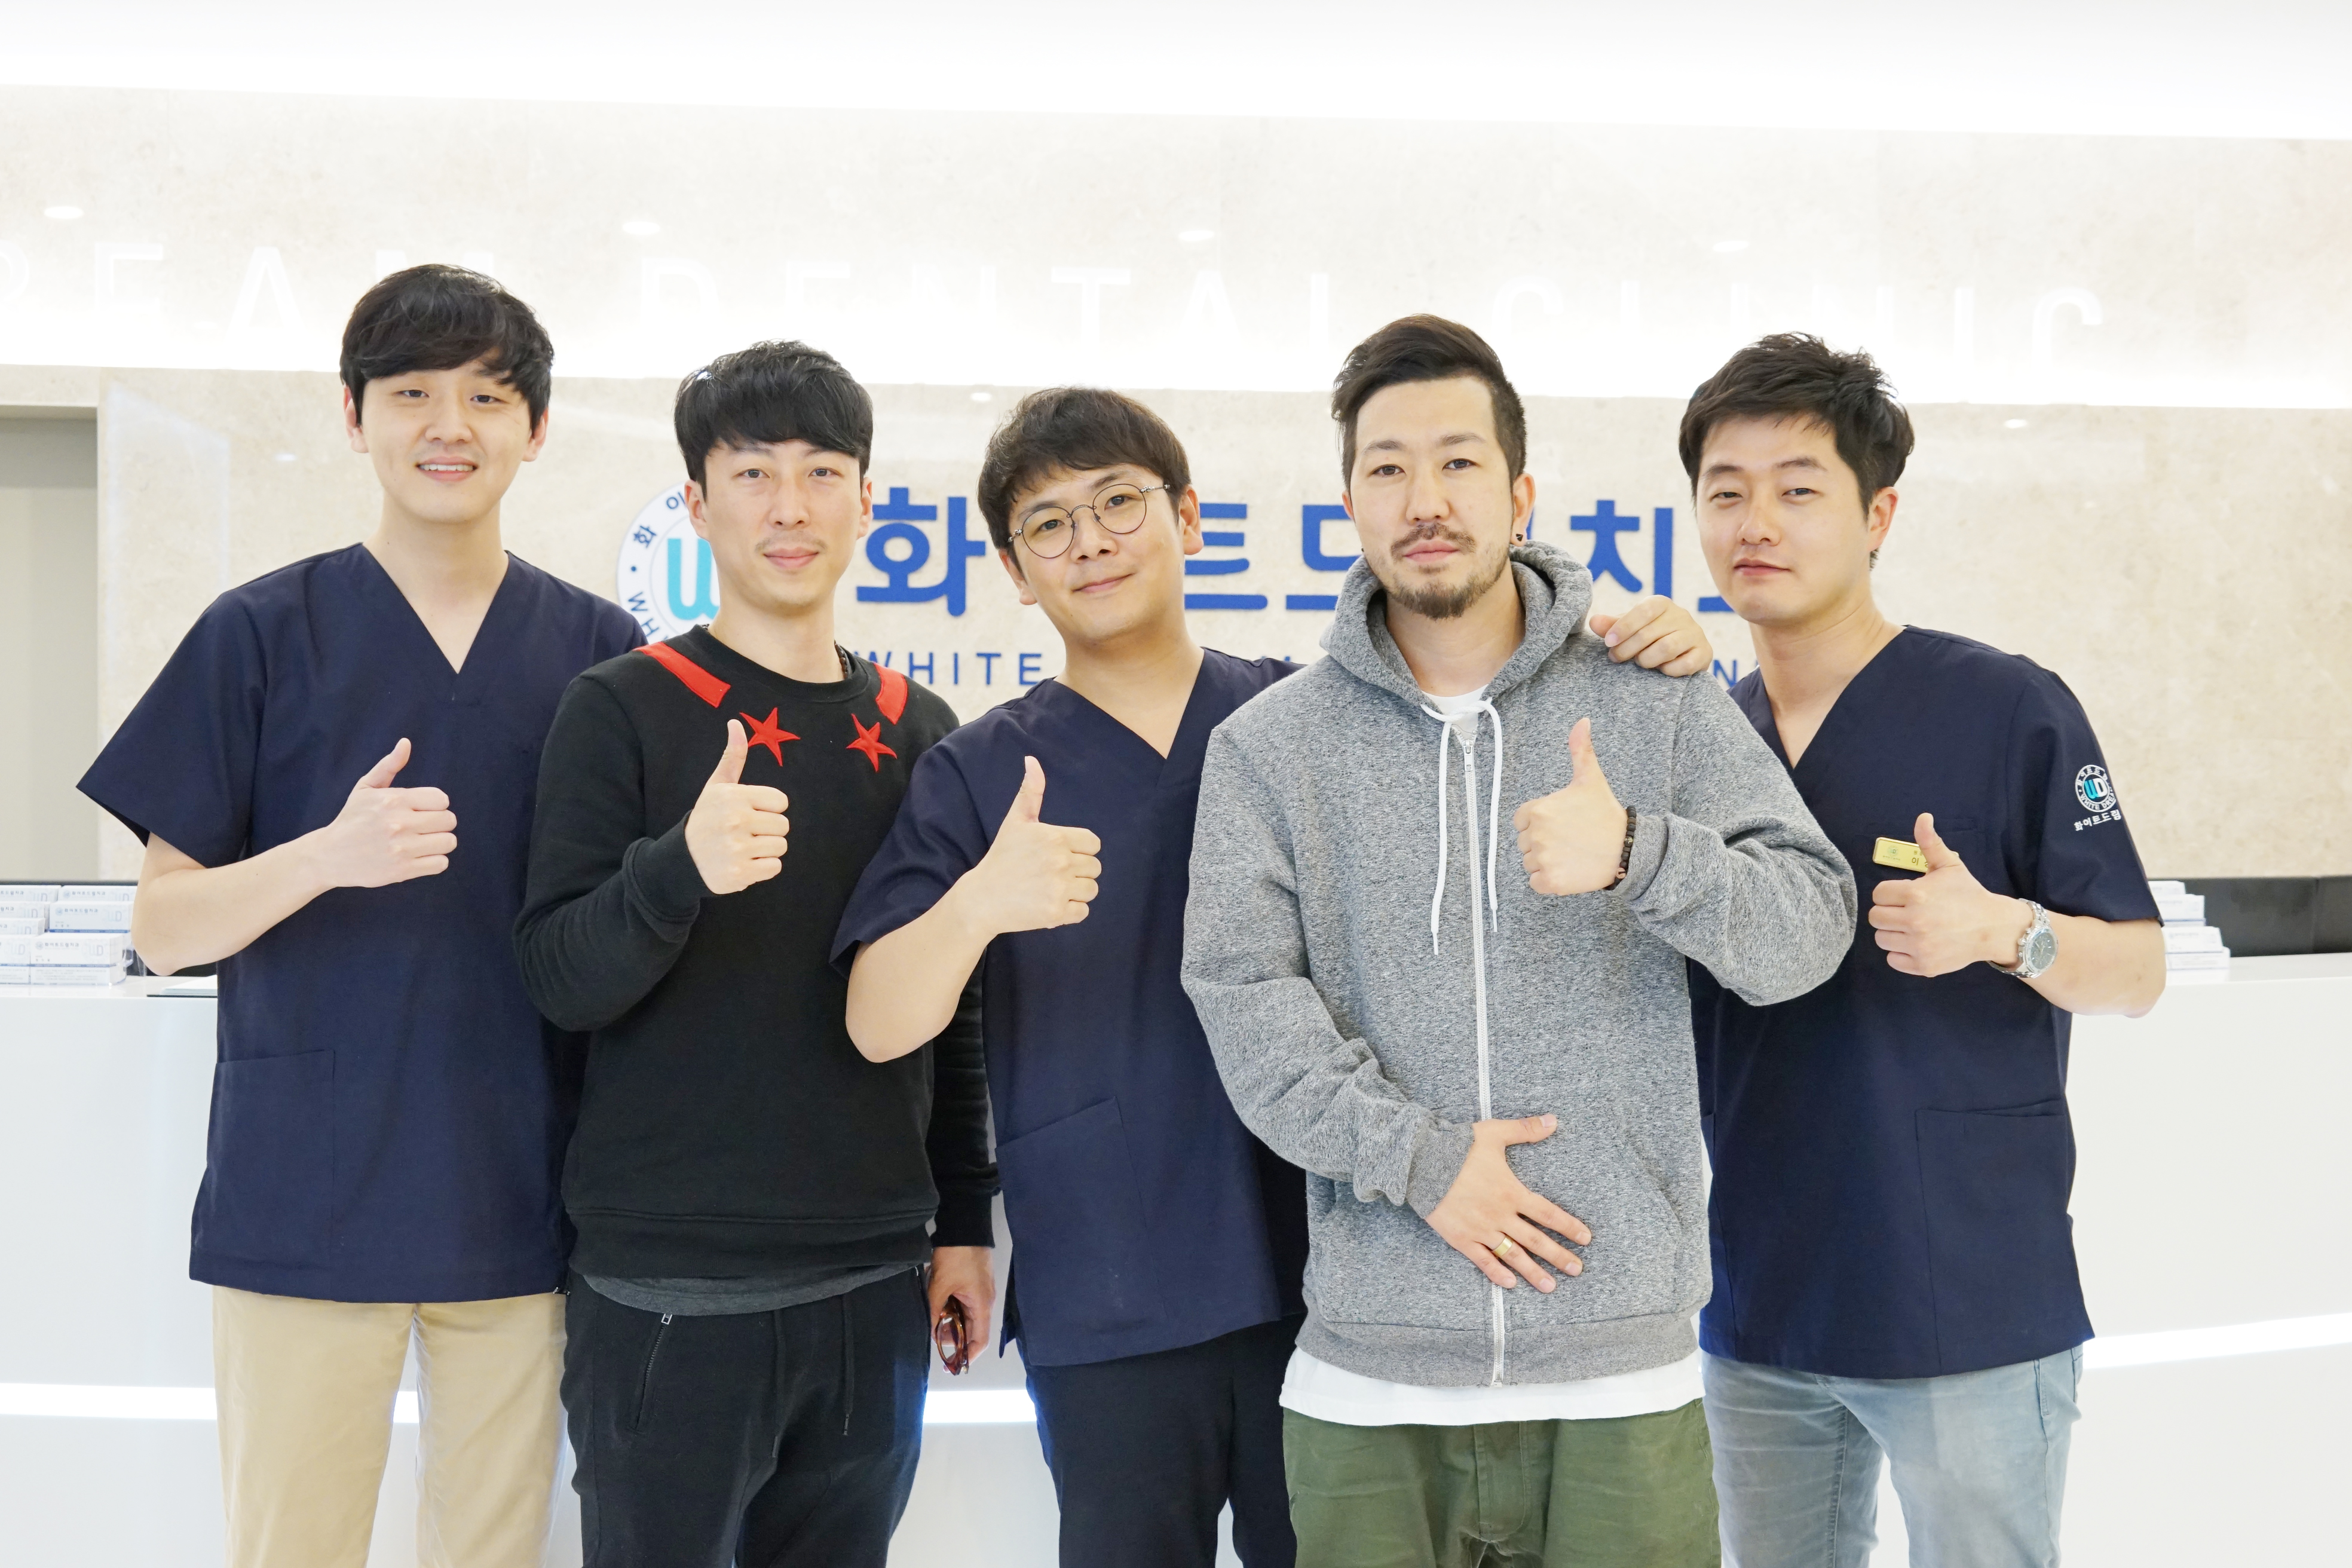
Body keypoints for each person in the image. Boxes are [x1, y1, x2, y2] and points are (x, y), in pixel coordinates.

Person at [832, 384, 1720, 1568]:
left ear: (1190, 518)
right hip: (1112, 1281)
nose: (1091, 542)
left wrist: (1645, 647)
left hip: (1337, 1280)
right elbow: (878, 1021)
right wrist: (979, 906)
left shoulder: (1302, 722)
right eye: (1050, 524)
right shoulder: (979, 772)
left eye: (1120, 503)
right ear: (1014, 568)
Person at [1180, 315, 1858, 1568]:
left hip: (1622, 1374)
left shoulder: (1652, 698)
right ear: (1348, 504)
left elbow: (1808, 928)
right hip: (1371, 1381)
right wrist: (1425, 1161)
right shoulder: (1270, 748)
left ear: (1520, 495)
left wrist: (1640, 852)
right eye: (1388, 468)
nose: (1424, 500)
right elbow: (1242, 999)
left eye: (1458, 462)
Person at [75, 265, 642, 1568]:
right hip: (307, 1190)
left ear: (536, 430)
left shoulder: (600, 652)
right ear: (354, 416)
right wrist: (324, 856)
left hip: (525, 1192)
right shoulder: (258, 635)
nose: (450, 426)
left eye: (487, 397)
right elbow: (163, 927)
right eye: (412, 393)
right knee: (293, 1547)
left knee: (495, 1548)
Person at [1679, 334, 2166, 1568]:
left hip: (1965, 1297)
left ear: (1878, 515)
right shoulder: (1701, 743)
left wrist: (2006, 931)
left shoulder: (2006, 707)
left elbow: (2137, 969)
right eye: (1726, 491)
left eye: (1798, 488)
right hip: (1760, 1304)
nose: (1755, 522)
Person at [512, 339, 995, 1568]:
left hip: (871, 1284)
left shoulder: (919, 730)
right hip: (668, 1292)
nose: (791, 507)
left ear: (867, 502)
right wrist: (677, 868)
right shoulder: (621, 705)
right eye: (753, 473)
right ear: (696, 501)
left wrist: (963, 1222)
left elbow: (954, 1011)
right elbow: (558, 977)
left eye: (824, 473)